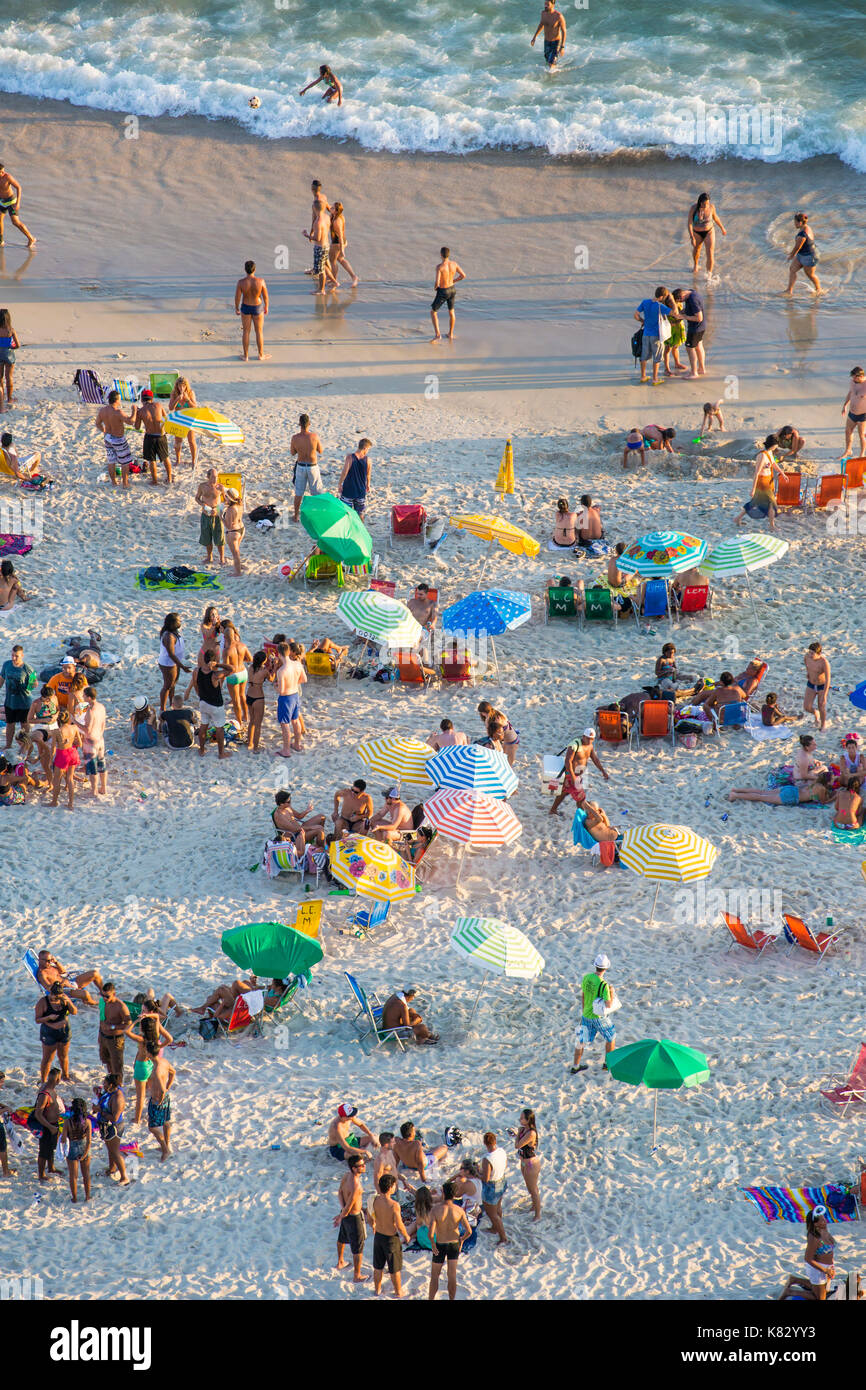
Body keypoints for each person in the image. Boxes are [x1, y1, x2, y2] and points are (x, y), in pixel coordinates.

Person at [571, 952, 617, 1074]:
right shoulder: (604, 985)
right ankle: (607, 1065)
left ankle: (575, 1066)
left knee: (581, 1040)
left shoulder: (586, 977)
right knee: (611, 1036)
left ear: (595, 966)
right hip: (599, 1017)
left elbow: (583, 995)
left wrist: (584, 1010)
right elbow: (608, 1004)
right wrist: (611, 992)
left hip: (586, 1014)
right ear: (606, 968)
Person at [127, 1003, 173, 1124]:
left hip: (141, 1066)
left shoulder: (142, 1039)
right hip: (150, 1064)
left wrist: (136, 1020)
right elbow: (169, 1037)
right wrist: (158, 1047)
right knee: (147, 1089)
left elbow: (127, 1031)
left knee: (140, 1096)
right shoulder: (155, 1033)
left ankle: (137, 1119)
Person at [777, 1207, 836, 1302]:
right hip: (817, 1269)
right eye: (822, 1220)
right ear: (816, 1224)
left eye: (823, 1218)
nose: (825, 1220)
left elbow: (830, 1252)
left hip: (826, 1267)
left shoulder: (824, 1230)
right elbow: (808, 1258)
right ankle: (790, 1292)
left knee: (825, 1290)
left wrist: (832, 1267)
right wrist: (825, 1270)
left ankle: (794, 1280)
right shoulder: (814, 1238)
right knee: (820, 1298)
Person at [427, 1182, 472, 1301]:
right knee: (452, 1275)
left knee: (435, 1275)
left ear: (443, 1192)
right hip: (454, 1244)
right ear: (455, 1194)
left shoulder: (436, 1210)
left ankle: (431, 1298)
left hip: (440, 1244)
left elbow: (430, 1234)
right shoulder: (459, 1210)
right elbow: (469, 1231)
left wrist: (432, 1244)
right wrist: (461, 1241)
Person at [549, 728, 609, 815]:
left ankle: (553, 810)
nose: (589, 740)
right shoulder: (575, 745)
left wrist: (603, 771)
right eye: (587, 738)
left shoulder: (590, 746)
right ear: (583, 736)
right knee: (581, 798)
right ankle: (582, 818)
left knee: (564, 792)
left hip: (578, 775)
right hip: (571, 774)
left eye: (591, 739)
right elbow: (568, 761)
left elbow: (595, 759)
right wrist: (572, 777)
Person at [734, 437, 785, 532]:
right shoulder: (762, 456)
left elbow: (773, 463)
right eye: (776, 444)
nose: (777, 446)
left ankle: (737, 518)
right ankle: (771, 526)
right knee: (771, 504)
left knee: (755, 502)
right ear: (772, 444)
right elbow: (756, 473)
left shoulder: (770, 453)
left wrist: (782, 473)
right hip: (762, 483)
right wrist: (753, 489)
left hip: (769, 481)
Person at [371, 1174, 409, 1297]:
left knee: (378, 1266)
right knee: (394, 1269)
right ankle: (398, 1292)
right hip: (391, 1239)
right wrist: (406, 1236)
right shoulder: (394, 1205)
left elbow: (370, 1217)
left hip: (378, 1236)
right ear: (390, 1187)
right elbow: (399, 1224)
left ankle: (377, 1290)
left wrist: (373, 1226)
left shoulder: (375, 1200)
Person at [334, 1153, 368, 1282]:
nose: (364, 1166)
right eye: (361, 1165)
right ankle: (357, 1275)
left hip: (346, 1214)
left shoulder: (346, 1176)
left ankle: (340, 1261)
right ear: (354, 1168)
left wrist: (342, 1212)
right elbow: (350, 1205)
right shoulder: (356, 1185)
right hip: (353, 1217)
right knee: (358, 1247)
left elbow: (340, 1192)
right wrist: (342, 1215)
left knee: (342, 1238)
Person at [95, 389, 136, 489]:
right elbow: (131, 421)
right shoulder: (118, 412)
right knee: (125, 461)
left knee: (111, 460)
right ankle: (125, 483)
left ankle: (114, 482)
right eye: (119, 399)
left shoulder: (102, 410)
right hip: (118, 439)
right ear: (116, 400)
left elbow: (97, 423)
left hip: (108, 438)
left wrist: (104, 430)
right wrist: (134, 410)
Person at [35, 982, 76, 1082]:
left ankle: (66, 1076)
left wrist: (69, 1002)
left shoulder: (64, 999)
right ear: (50, 993)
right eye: (53, 996)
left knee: (63, 1056)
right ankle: (44, 1080)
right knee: (47, 1059)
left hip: (64, 1032)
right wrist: (49, 1018)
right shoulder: (43, 1002)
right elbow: (37, 1020)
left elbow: (74, 1012)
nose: (55, 999)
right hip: (49, 1033)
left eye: (58, 997)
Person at [195, 649, 232, 759]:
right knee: (219, 728)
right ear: (214, 661)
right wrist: (219, 664)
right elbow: (232, 669)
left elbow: (196, 686)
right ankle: (221, 753)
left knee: (203, 726)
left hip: (203, 702)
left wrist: (201, 696)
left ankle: (201, 750)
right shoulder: (215, 674)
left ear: (204, 659)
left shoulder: (196, 671)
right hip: (216, 705)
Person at [95, 1073, 129, 1185]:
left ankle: (124, 1177)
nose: (103, 1085)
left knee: (115, 1151)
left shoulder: (118, 1098)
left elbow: (114, 1118)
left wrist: (99, 1110)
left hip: (114, 1127)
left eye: (105, 1083)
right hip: (106, 1125)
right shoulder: (111, 1091)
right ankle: (112, 1169)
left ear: (110, 1085)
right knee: (110, 1149)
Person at [35, 950, 102, 1007]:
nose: (49, 962)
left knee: (94, 973)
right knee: (85, 994)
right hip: (64, 991)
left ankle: (103, 992)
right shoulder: (42, 974)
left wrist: (56, 962)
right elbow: (49, 989)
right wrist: (62, 984)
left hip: (70, 982)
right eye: (47, 961)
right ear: (40, 960)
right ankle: (92, 1003)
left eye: (50, 960)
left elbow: (63, 972)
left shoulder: (50, 966)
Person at [0, 644, 36, 750]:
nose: (14, 658)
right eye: (12, 655)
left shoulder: (27, 668)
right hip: (10, 701)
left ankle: (26, 745)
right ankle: (8, 745)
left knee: (24, 725)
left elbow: (35, 683)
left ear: (22, 656)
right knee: (10, 724)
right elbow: (1, 680)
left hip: (24, 702)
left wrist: (31, 684)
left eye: (17, 656)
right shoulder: (6, 665)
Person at [305, 182, 338, 295]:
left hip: (320, 241)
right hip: (326, 240)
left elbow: (317, 237)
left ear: (312, 189)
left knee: (322, 266)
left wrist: (309, 234)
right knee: (323, 262)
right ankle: (332, 280)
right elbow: (329, 209)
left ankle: (322, 288)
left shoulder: (317, 205)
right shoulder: (325, 213)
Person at [634, 287, 672, 386]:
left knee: (644, 356)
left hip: (646, 334)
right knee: (657, 357)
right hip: (657, 335)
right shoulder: (660, 306)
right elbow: (675, 313)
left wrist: (643, 321)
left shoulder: (645, 302)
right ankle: (655, 379)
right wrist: (672, 300)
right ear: (661, 297)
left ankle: (643, 376)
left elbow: (636, 315)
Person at [290, 413, 325, 521]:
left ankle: (296, 515)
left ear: (299, 424)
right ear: (309, 424)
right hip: (312, 466)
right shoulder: (314, 436)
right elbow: (321, 450)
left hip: (301, 466)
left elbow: (292, 452)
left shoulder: (295, 438)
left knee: (298, 492)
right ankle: (317, 515)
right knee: (316, 493)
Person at [728, 772, 834, 806]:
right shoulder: (821, 789)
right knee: (760, 797)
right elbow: (823, 802)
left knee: (762, 792)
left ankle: (736, 790)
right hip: (791, 796)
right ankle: (735, 795)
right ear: (828, 782)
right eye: (832, 780)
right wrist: (835, 797)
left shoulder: (815, 782)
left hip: (791, 789)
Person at [133, 389, 172, 484]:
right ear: (152, 398)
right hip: (161, 436)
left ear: (142, 400)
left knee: (152, 460)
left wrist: (136, 413)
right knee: (165, 457)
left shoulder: (141, 411)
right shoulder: (158, 405)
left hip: (150, 437)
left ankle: (155, 481)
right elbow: (166, 418)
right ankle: (170, 478)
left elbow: (137, 427)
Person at [275, 640, 306, 756]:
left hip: (286, 698)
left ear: (279, 653)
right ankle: (297, 744)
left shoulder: (281, 671)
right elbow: (304, 679)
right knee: (296, 720)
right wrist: (293, 683)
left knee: (285, 724)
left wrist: (275, 687)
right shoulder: (298, 664)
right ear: (288, 652)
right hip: (295, 695)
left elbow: (282, 692)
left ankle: (286, 750)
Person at [234, 259, 269, 362]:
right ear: (255, 269)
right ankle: (261, 355)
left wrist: (236, 308)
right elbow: (265, 296)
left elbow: (237, 297)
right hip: (257, 307)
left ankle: (246, 356)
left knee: (246, 331)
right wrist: (266, 306)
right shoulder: (260, 281)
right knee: (259, 331)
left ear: (245, 270)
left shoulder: (241, 282)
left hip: (245, 306)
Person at [430, 246, 466, 343]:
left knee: (433, 312)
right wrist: (453, 280)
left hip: (443, 291)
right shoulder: (454, 264)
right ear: (449, 255)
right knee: (451, 311)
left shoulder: (439, 267)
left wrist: (435, 288)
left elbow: (437, 283)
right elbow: (463, 275)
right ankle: (450, 334)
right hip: (452, 289)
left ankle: (438, 335)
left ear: (441, 255)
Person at [785, 212, 823, 297]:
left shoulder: (802, 235)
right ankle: (789, 291)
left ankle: (819, 290)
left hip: (810, 257)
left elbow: (797, 247)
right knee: (792, 269)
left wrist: (791, 255)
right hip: (802, 254)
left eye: (795, 222)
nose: (794, 224)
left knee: (810, 275)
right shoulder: (806, 227)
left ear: (800, 222)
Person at [78, 685, 108, 796]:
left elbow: (87, 729)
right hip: (100, 739)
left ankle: (94, 790)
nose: (83, 697)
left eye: (84, 696)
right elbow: (103, 724)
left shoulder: (90, 711)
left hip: (90, 742)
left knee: (92, 768)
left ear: (89, 697)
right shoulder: (101, 707)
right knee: (102, 764)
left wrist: (75, 722)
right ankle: (103, 787)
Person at [33, 1070, 62, 1181]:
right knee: (44, 1150)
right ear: (58, 1079)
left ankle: (51, 1167)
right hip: (47, 1125)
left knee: (50, 1148)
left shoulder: (51, 1089)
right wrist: (50, 1127)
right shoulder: (45, 1094)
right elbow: (38, 1114)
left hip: (53, 1124)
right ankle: (41, 1174)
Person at [49, 711, 82, 810]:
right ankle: (70, 804)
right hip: (72, 753)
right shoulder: (74, 727)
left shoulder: (56, 731)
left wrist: (51, 760)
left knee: (56, 780)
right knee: (70, 779)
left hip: (62, 754)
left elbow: (53, 748)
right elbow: (80, 743)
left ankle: (54, 802)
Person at [158, 612, 190, 712]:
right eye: (178, 620)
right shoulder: (168, 636)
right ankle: (162, 709)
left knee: (173, 685)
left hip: (175, 663)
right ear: (173, 623)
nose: (180, 621)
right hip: (168, 664)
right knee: (167, 686)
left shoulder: (174, 632)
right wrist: (182, 666)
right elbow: (171, 654)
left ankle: (172, 704)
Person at [687, 191, 726, 275]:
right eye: (704, 204)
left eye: (708, 203)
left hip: (709, 232)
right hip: (697, 233)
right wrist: (692, 237)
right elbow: (689, 223)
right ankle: (696, 265)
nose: (706, 206)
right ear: (700, 203)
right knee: (697, 250)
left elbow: (716, 218)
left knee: (710, 253)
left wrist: (722, 228)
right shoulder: (693, 209)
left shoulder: (711, 207)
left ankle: (709, 275)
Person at [514, 1108, 542, 1221]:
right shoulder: (524, 1130)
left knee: (534, 1189)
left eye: (522, 1118)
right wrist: (519, 1132)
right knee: (529, 1187)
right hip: (524, 1162)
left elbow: (518, 1145)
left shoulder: (531, 1133)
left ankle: (538, 1214)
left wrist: (518, 1135)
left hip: (531, 1163)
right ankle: (534, 1205)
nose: (520, 1120)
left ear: (528, 1120)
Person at [480, 1132, 508, 1245]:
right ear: (495, 1141)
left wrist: (477, 1174)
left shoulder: (487, 1159)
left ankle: (503, 1237)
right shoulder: (501, 1151)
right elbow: (505, 1165)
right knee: (498, 1207)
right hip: (501, 1181)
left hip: (491, 1187)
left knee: (492, 1214)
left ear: (485, 1143)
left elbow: (485, 1179)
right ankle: (495, 1228)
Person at [146, 1053, 176, 1161]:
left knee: (152, 1127)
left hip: (157, 1100)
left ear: (149, 1053)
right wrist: (168, 1086)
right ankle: (167, 1144)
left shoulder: (156, 1070)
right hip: (165, 1098)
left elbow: (162, 1090)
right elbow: (173, 1072)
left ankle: (165, 1149)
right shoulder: (164, 1061)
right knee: (166, 1121)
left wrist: (160, 1098)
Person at [195, 468, 227, 565]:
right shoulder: (202, 486)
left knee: (219, 537)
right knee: (207, 537)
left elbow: (225, 500)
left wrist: (217, 508)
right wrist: (203, 505)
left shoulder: (220, 487)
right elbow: (197, 498)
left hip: (217, 515)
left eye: (216, 477)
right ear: (208, 477)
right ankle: (210, 557)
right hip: (206, 514)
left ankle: (222, 558)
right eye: (213, 477)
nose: (215, 479)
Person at [674, 285, 706, 379]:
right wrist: (681, 312)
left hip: (695, 328)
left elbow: (699, 318)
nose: (680, 303)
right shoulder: (691, 292)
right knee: (699, 346)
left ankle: (694, 373)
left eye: (680, 301)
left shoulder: (693, 300)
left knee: (689, 348)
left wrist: (683, 317)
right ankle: (701, 368)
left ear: (681, 296)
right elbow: (689, 309)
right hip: (702, 327)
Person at [221, 622, 251, 722]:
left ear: (225, 638)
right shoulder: (242, 645)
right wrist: (241, 661)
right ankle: (246, 716)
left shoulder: (226, 651)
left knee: (235, 700)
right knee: (242, 695)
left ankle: (239, 721)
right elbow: (250, 659)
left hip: (234, 675)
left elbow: (227, 667)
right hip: (243, 672)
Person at [64, 1095, 92, 1204]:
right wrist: (85, 1154)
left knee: (73, 1176)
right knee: (86, 1174)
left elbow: (63, 1138)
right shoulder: (87, 1122)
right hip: (84, 1146)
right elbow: (89, 1141)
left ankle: (75, 1198)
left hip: (72, 1147)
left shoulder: (68, 1122)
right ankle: (87, 1196)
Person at [0, 164, 35, 247]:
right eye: (1, 172)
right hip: (1, 201)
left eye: (3, 171)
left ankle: (31, 238)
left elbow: (18, 187)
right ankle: (1, 240)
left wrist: (18, 203)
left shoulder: (8, 177)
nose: (3, 173)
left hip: (11, 201)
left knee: (15, 222)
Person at [167, 376, 198, 469]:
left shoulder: (190, 392)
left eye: (183, 386)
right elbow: (171, 408)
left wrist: (187, 399)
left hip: (189, 419)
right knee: (178, 442)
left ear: (186, 386)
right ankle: (178, 459)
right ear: (177, 386)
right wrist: (177, 399)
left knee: (191, 441)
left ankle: (193, 461)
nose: (181, 388)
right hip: (179, 420)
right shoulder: (173, 393)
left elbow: (195, 407)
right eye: (180, 386)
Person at [244, 651, 271, 752]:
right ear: (263, 661)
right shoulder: (264, 671)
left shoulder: (251, 667)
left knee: (252, 721)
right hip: (258, 698)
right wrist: (275, 666)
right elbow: (271, 679)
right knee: (258, 724)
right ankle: (255, 748)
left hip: (249, 696)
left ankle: (249, 743)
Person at [337, 437, 372, 517]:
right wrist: (368, 485)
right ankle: (360, 529)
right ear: (365, 448)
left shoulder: (350, 457)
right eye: (368, 449)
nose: (367, 451)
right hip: (360, 491)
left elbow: (344, 472)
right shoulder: (368, 460)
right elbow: (368, 475)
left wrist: (340, 484)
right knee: (360, 514)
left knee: (345, 514)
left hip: (348, 490)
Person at [530, 0, 566, 68]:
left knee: (551, 64)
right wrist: (534, 37)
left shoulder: (559, 16)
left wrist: (562, 47)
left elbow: (564, 31)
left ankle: (552, 78)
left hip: (556, 42)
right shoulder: (543, 13)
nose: (545, 6)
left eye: (547, 4)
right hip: (546, 41)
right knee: (548, 61)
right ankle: (555, 72)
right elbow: (541, 25)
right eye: (545, 4)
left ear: (553, 5)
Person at [329, 201, 358, 286]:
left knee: (332, 261)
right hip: (342, 241)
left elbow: (340, 236)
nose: (330, 208)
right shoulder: (338, 216)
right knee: (341, 260)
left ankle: (334, 281)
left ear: (337, 211)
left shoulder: (337, 221)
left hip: (338, 243)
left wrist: (342, 250)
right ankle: (354, 277)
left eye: (333, 208)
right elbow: (328, 208)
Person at [804, 642, 830, 731]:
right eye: (809, 652)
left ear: (819, 654)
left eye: (812, 653)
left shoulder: (824, 662)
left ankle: (823, 725)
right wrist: (808, 672)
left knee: (821, 705)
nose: (810, 655)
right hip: (811, 684)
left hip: (821, 686)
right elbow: (806, 665)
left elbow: (828, 679)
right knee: (806, 707)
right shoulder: (807, 657)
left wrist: (825, 695)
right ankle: (815, 713)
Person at [842, 366, 866, 458]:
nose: (853, 379)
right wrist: (845, 405)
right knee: (848, 431)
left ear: (860, 376)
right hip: (852, 413)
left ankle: (862, 454)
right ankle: (848, 451)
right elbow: (850, 392)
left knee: (861, 435)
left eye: (855, 377)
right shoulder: (853, 382)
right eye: (852, 377)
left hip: (863, 415)